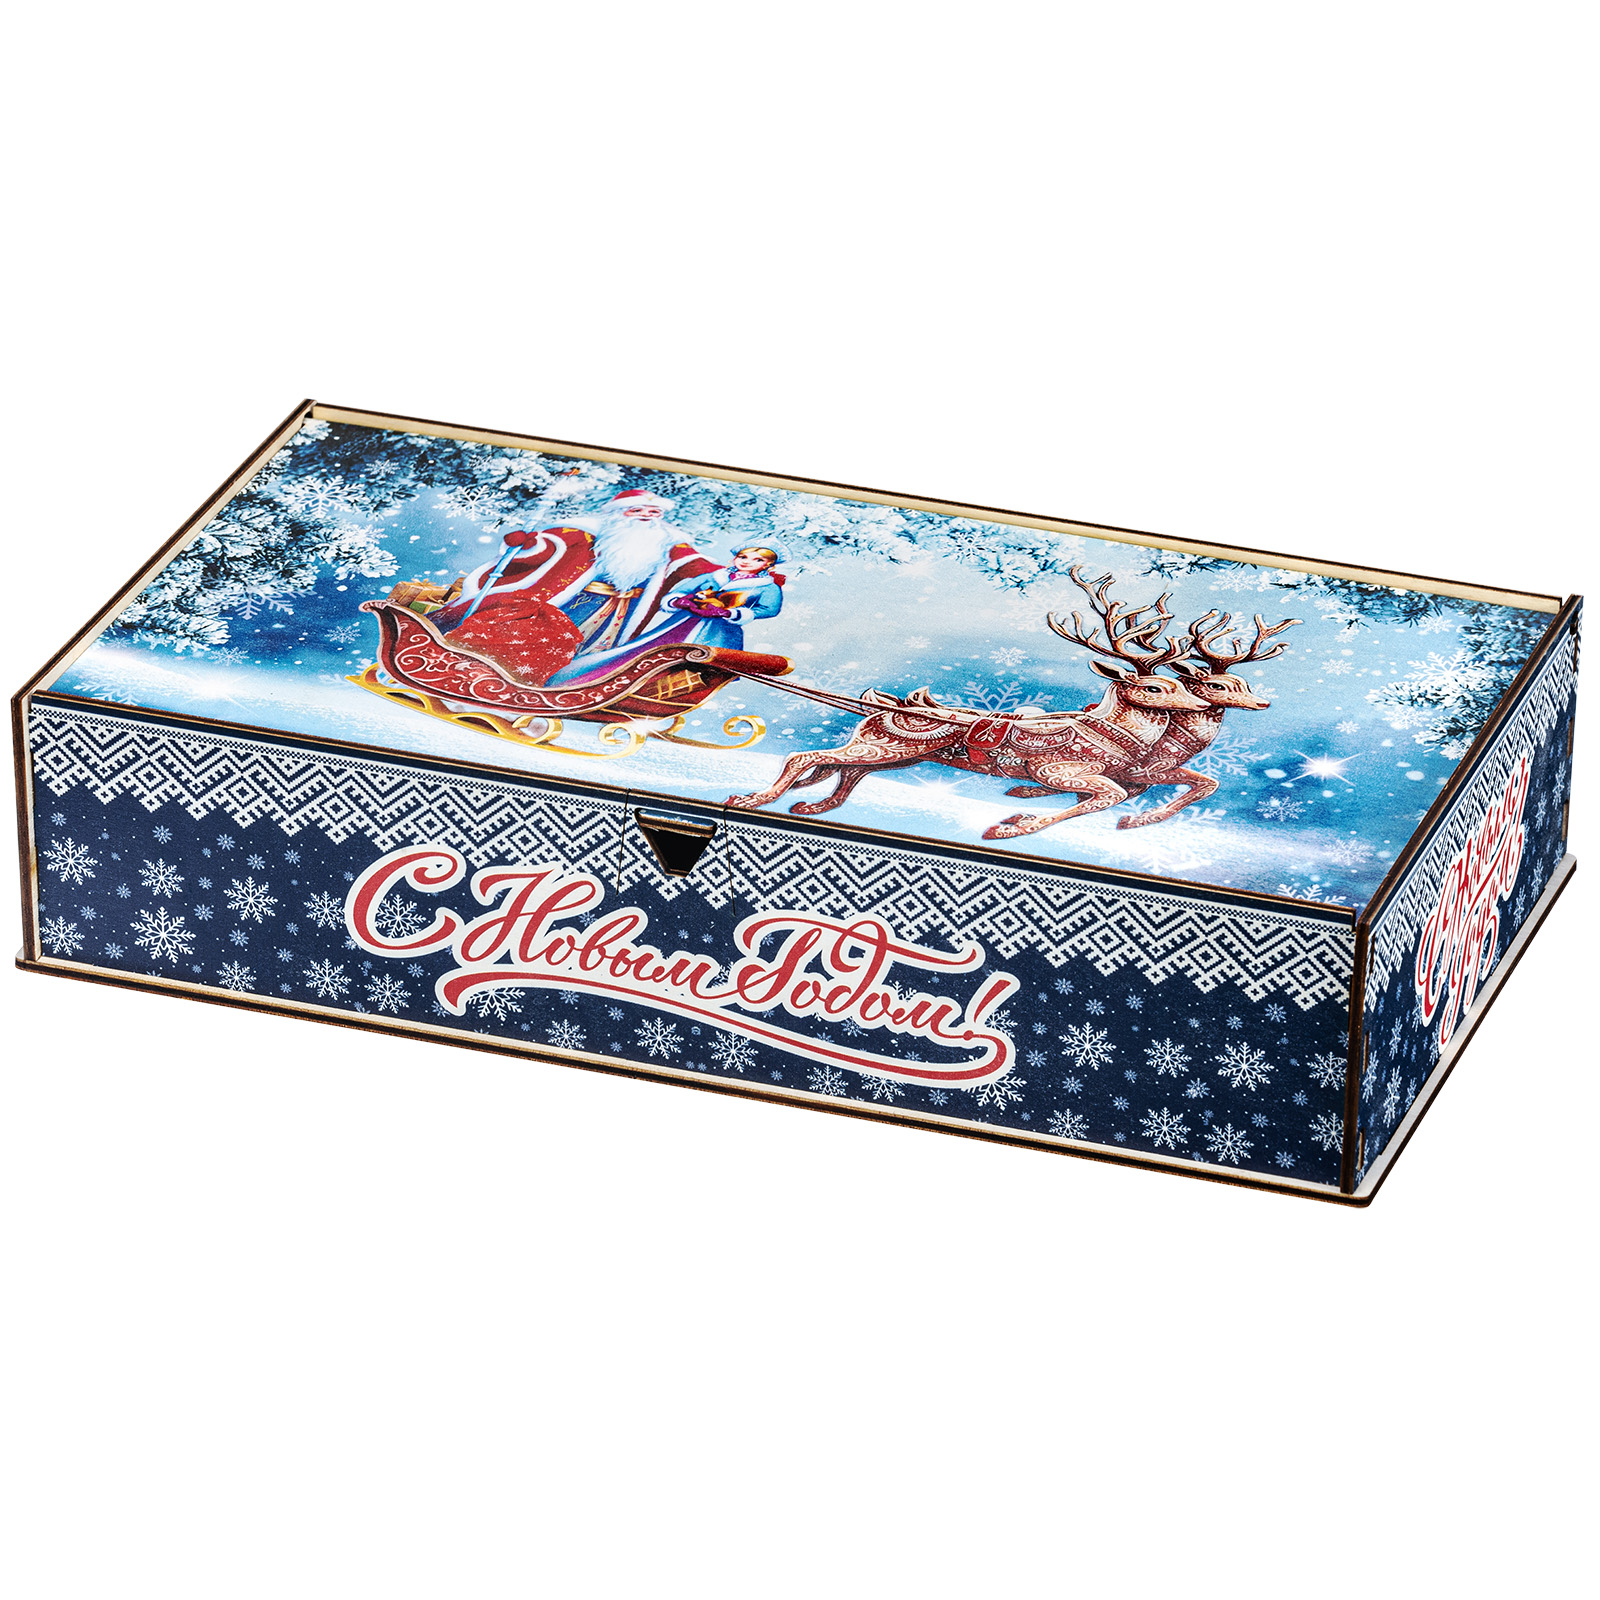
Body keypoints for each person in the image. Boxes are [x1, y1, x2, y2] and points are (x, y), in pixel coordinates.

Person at [426, 489, 725, 682]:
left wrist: (738, 576)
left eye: (654, 513)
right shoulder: (584, 533)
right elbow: (546, 548)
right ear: (618, 513)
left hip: (623, 610)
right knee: (544, 638)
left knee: (595, 655)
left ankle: (567, 683)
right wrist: (526, 544)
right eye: (637, 511)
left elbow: (698, 566)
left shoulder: (668, 542)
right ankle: (505, 675)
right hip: (572, 602)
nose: (647, 516)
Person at [543, 543, 786, 685]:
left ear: (768, 565)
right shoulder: (715, 576)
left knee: (705, 663)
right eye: (743, 557)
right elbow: (683, 589)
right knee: (649, 651)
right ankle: (602, 679)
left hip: (722, 631)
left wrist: (732, 613)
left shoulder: (767, 587)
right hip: (682, 622)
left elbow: (769, 609)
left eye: (756, 560)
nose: (746, 562)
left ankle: (680, 687)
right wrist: (679, 600)